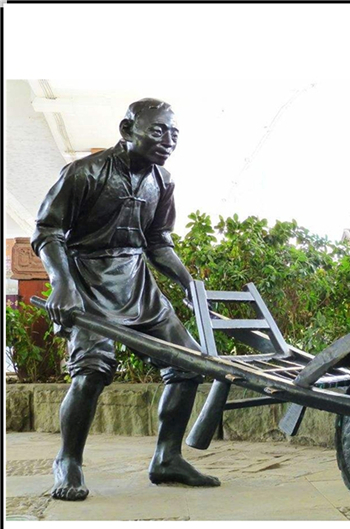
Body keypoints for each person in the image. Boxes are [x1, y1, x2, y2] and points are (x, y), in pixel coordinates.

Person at [32, 98, 220, 501]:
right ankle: (68, 461)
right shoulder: (84, 173)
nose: (168, 141)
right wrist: (61, 284)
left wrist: (188, 284)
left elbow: (158, 241)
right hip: (88, 280)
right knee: (91, 371)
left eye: (174, 134)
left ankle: (167, 458)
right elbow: (47, 231)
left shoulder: (162, 180)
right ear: (126, 129)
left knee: (188, 363)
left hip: (138, 283)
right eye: (158, 131)